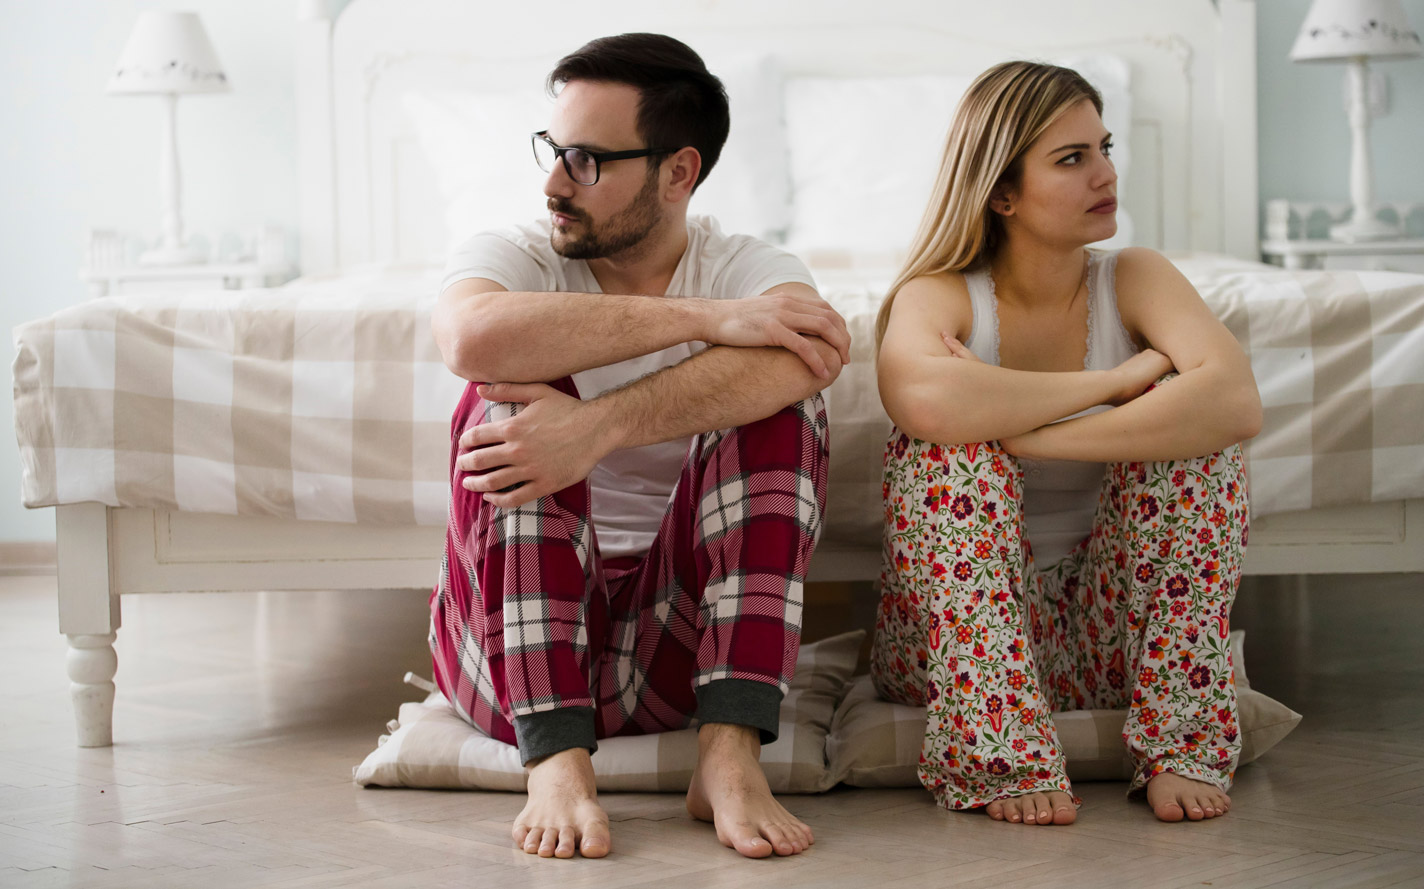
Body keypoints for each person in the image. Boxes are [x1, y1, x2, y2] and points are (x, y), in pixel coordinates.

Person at [427, 33, 848, 861]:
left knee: (789, 402)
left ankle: (728, 756)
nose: (553, 183)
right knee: (500, 395)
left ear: (678, 173)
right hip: (504, 657)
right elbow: (471, 338)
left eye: (585, 160)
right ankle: (553, 759)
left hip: (674, 652)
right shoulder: (516, 255)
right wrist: (704, 319)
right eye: (552, 151)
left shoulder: (748, 265)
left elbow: (817, 353)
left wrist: (597, 427)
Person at [871, 61, 1262, 826]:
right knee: (944, 453)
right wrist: (1113, 384)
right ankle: (1000, 749)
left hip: (1105, 636)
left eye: (1104, 148)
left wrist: (1014, 423)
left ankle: (1181, 739)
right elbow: (923, 400)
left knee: (1200, 447)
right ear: (1002, 191)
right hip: (947, 648)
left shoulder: (1136, 277)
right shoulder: (940, 293)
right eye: (1072, 158)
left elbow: (1233, 401)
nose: (1105, 174)